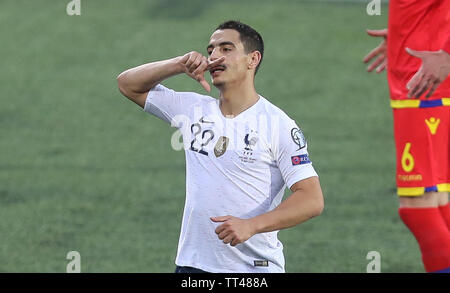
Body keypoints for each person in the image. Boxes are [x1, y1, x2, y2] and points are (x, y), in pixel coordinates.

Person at [117, 20, 324, 273]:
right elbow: (128, 84)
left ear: (253, 59)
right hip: (192, 266)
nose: (214, 56)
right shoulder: (192, 110)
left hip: (252, 270)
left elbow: (311, 199)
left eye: (226, 49)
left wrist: (251, 225)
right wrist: (179, 64)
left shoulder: (278, 125)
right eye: (211, 49)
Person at [363, 0, 450, 273]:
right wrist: (404, 34)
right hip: (424, 77)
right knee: (437, 200)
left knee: (417, 207)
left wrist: (445, 52)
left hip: (423, 85)